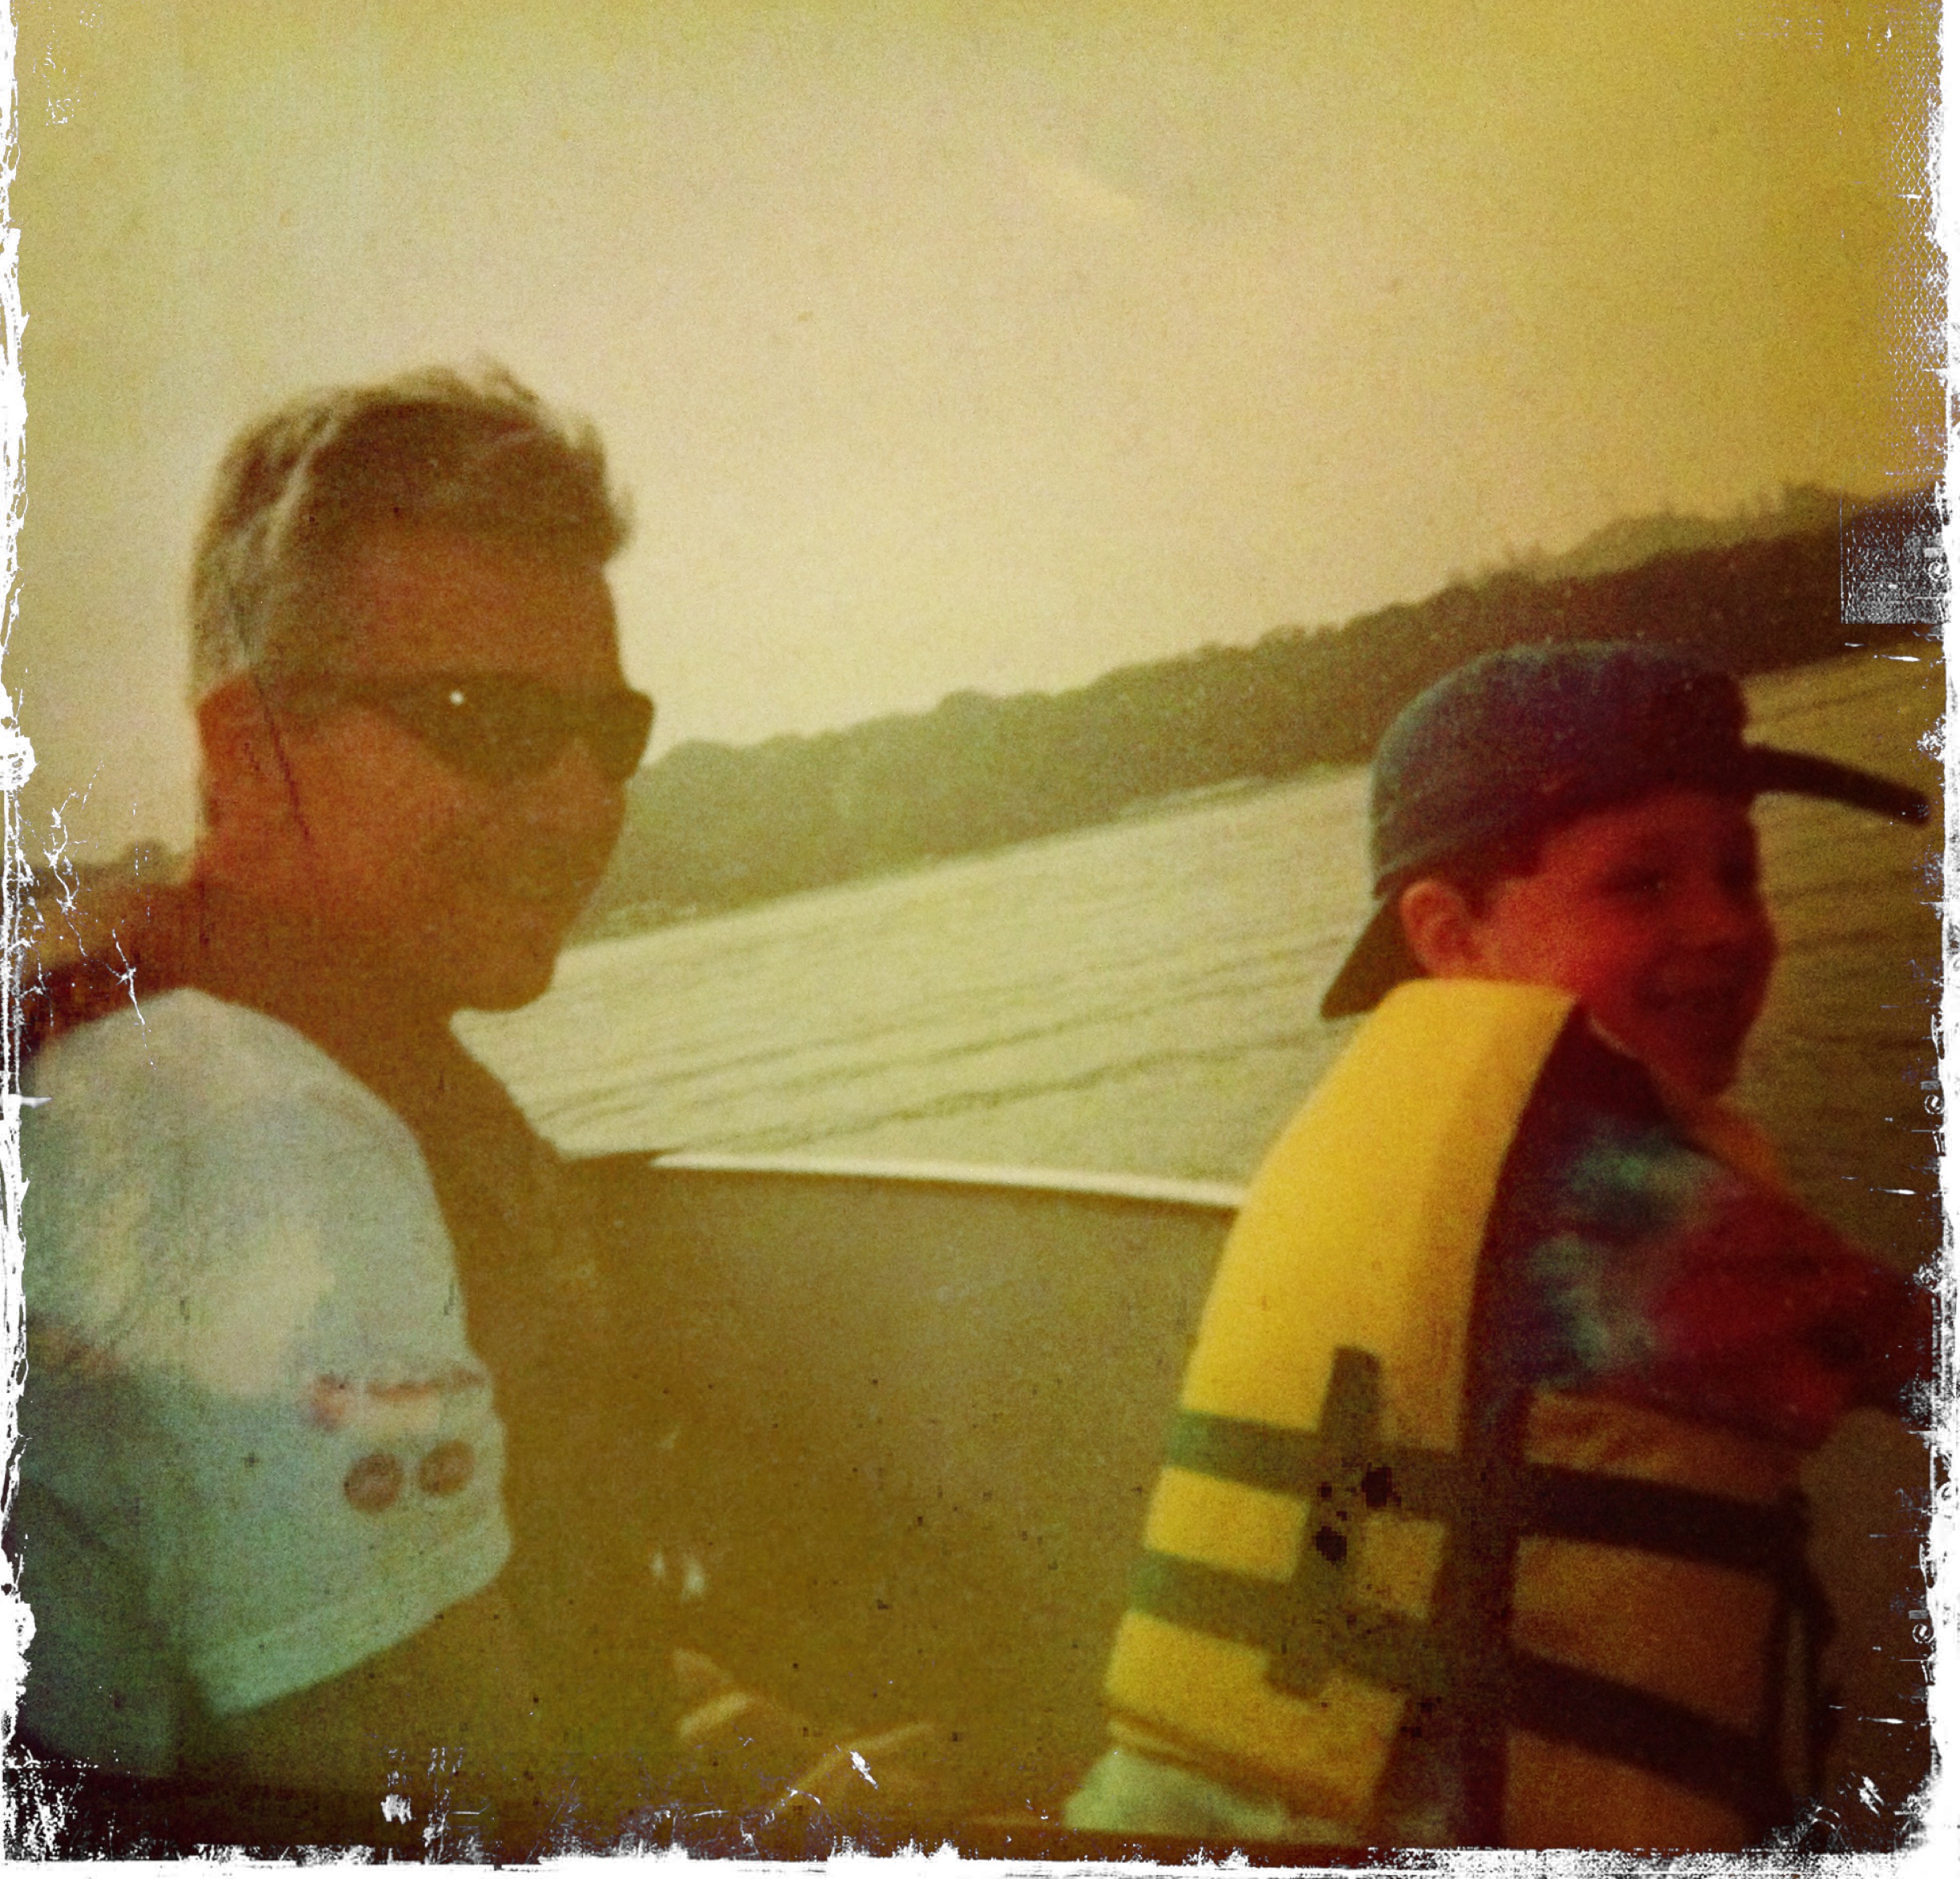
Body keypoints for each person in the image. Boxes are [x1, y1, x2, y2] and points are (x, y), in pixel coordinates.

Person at [8, 368, 937, 1849]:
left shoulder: (204, 1062)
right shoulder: (251, 1140)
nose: (580, 802)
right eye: (485, 721)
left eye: (606, 734)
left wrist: (737, 1750)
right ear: (249, 752)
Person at [1066, 640, 1934, 1852]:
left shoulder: (1376, 1143)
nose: (1723, 926)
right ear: (1450, 935)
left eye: (1739, 874)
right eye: (1641, 885)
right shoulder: (1628, 1210)